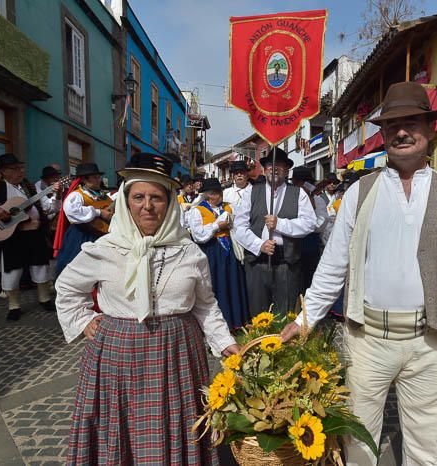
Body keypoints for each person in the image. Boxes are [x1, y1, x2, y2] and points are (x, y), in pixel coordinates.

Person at [281, 82, 437, 465]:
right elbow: (333, 265)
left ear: (431, 129)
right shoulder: (359, 191)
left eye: (411, 121)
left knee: (425, 444)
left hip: (431, 342)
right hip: (366, 340)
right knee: (358, 440)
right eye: (392, 124)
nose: (401, 131)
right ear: (382, 134)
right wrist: (305, 319)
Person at [55, 152, 240, 464]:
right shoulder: (105, 249)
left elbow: (206, 306)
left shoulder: (190, 253)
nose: (147, 206)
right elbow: (67, 287)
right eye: (138, 196)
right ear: (127, 201)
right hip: (117, 353)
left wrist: (226, 343)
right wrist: (84, 320)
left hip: (177, 350)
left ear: (169, 203)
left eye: (156, 197)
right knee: (121, 428)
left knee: (177, 423)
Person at [0, 154, 59, 320]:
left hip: (35, 233)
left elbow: (49, 208)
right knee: (13, 269)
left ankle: (44, 298)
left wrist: (56, 195)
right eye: (14, 169)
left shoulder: (29, 186)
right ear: (3, 171)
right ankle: (13, 305)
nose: (20, 171)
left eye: (21, 167)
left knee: (40, 265)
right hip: (12, 236)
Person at [233, 149, 316, 315]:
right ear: (264, 170)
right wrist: (259, 244)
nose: (273, 168)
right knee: (258, 314)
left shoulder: (298, 193)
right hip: (257, 262)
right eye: (270, 165)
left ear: (286, 170)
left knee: (285, 313)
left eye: (279, 165)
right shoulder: (251, 192)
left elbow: (310, 223)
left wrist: (280, 224)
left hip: (287, 263)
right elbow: (239, 227)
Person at [189, 178, 249, 329]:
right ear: (208, 195)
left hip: (229, 250)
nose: (218, 196)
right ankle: (219, 325)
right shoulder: (198, 210)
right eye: (215, 193)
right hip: (212, 251)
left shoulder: (229, 207)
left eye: (219, 192)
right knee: (216, 285)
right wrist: (217, 226)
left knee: (233, 282)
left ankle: (237, 320)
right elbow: (198, 235)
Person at [54, 163, 113, 278]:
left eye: (98, 177)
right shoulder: (76, 195)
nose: (98, 180)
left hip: (102, 237)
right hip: (81, 237)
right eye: (95, 177)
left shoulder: (103, 195)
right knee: (77, 268)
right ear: (85, 179)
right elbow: (73, 212)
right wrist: (99, 212)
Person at [291, 166, 329, 291]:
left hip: (310, 245)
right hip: (292, 245)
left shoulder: (318, 201)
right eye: (297, 183)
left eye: (303, 183)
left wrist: (310, 199)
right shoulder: (290, 200)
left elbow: (320, 225)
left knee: (310, 281)